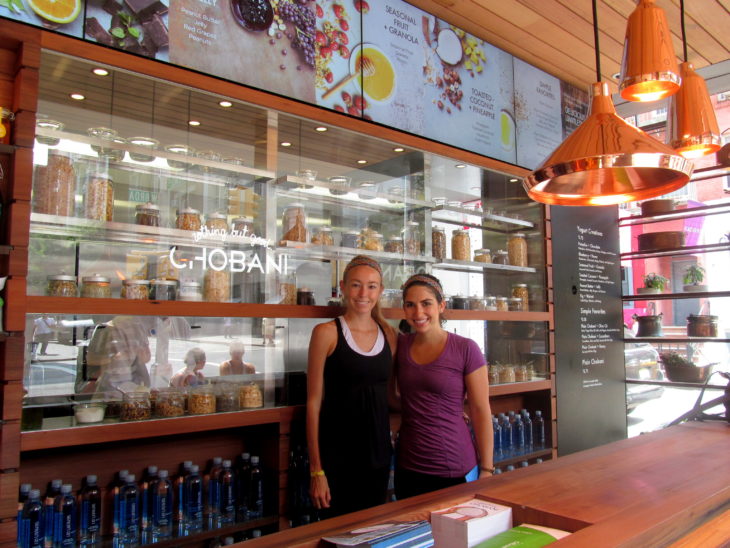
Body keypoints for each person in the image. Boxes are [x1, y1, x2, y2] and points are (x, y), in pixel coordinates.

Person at [306, 255, 397, 518]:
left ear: (380, 291)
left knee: (371, 533)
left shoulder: (389, 335)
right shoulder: (326, 333)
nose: (364, 293)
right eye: (356, 285)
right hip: (337, 460)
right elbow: (313, 404)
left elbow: (392, 393)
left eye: (371, 286)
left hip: (379, 458)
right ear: (343, 287)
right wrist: (317, 470)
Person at [393, 274, 493, 500]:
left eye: (426, 303)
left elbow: (480, 409)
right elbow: (396, 397)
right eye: (410, 305)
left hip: (454, 467)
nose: (418, 313)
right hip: (408, 466)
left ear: (441, 305)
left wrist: (487, 469)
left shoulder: (466, 348)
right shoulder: (399, 345)